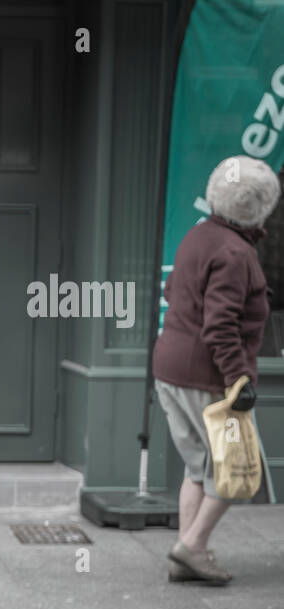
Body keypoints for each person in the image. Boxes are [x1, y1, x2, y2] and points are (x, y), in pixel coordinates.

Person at [152, 155, 281, 584]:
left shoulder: (198, 235)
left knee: (198, 467)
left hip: (170, 368)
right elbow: (221, 324)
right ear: (259, 206)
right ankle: (191, 547)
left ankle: (186, 554)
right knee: (237, 469)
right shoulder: (235, 252)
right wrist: (237, 379)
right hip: (207, 379)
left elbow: (175, 290)